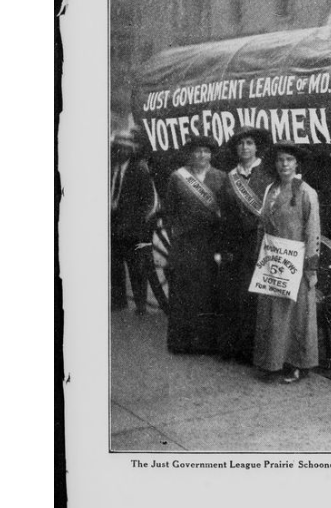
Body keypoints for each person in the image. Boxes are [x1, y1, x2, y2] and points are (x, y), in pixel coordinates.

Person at [253, 141, 321, 384]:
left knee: (296, 315)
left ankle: (297, 365)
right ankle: (272, 363)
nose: (284, 164)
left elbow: (312, 230)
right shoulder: (271, 190)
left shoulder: (305, 192)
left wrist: (310, 267)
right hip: (273, 259)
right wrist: (261, 258)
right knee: (273, 314)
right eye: (280, 160)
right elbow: (262, 224)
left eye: (289, 160)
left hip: (296, 261)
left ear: (296, 164)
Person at [162, 134, 229, 354]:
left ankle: (205, 343)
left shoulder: (220, 177)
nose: (202, 155)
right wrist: (177, 234)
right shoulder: (177, 177)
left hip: (210, 242)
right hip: (185, 243)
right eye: (198, 151)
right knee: (183, 292)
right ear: (190, 154)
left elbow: (226, 212)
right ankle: (182, 343)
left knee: (207, 292)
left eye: (206, 151)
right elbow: (169, 211)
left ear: (211, 155)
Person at [217, 128, 274, 362]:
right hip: (236, 244)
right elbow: (223, 214)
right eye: (240, 144)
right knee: (237, 295)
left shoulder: (268, 174)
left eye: (249, 143)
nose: (245, 148)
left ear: (256, 147)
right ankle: (237, 349)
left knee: (258, 297)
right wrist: (225, 247)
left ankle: (258, 350)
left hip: (261, 242)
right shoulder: (229, 178)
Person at [110, 129, 158, 314]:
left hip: (133, 227)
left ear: (132, 150)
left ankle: (140, 305)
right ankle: (119, 302)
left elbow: (149, 202)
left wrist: (139, 225)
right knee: (115, 266)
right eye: (118, 148)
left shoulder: (139, 169)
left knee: (136, 267)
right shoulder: (113, 168)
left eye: (126, 149)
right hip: (115, 224)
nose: (121, 152)